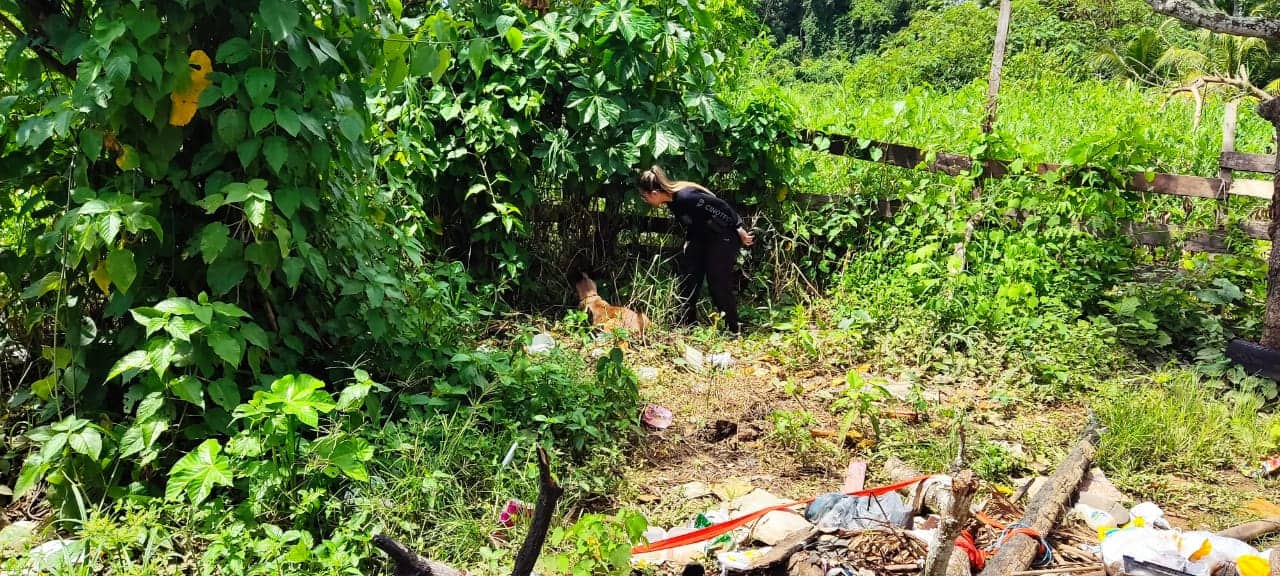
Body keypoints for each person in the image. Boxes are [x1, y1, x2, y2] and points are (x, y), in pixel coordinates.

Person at [638, 165, 753, 333]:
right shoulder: (672, 202)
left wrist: (738, 227)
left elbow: (720, 206)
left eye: (644, 197)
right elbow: (694, 221)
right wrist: (689, 241)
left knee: (717, 282)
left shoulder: (686, 197)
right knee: (689, 277)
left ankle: (734, 328)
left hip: (723, 236)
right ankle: (687, 325)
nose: (645, 201)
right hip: (703, 237)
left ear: (654, 193)